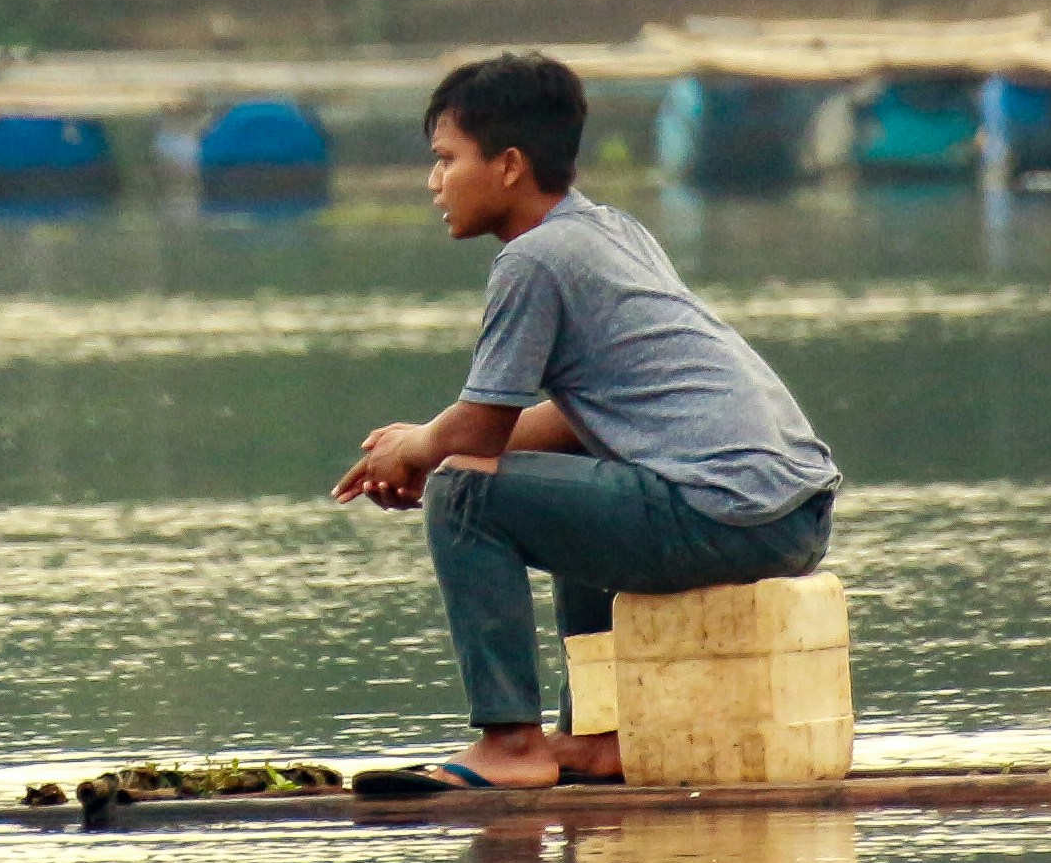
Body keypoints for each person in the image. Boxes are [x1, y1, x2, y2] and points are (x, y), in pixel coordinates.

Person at [333, 50, 841, 791]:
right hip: (790, 514)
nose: (434, 182)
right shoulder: (608, 230)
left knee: (466, 497)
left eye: (446, 160)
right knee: (565, 485)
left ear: (508, 166)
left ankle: (511, 745)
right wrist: (424, 449)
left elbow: (477, 437)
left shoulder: (534, 261)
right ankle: (598, 738)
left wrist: (420, 450)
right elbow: (570, 421)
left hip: (727, 510)